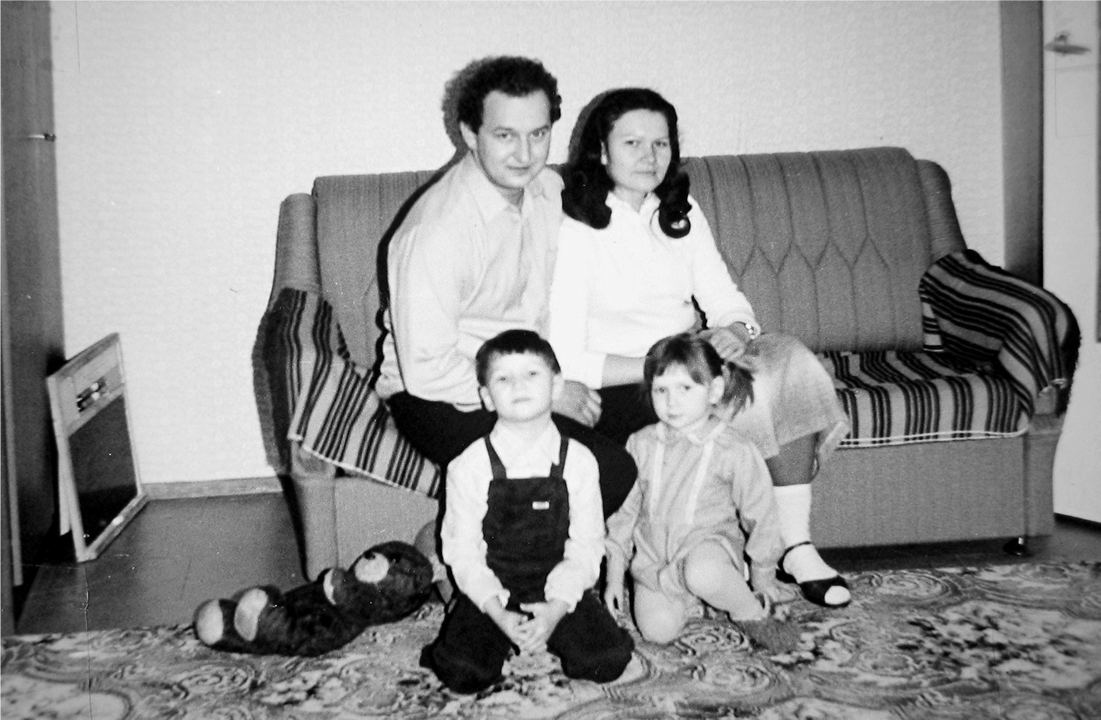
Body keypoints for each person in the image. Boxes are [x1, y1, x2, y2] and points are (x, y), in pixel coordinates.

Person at [548, 87, 851, 608]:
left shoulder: (680, 209)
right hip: (629, 382)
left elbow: (727, 300)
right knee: (744, 394)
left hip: (694, 359)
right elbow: (567, 355)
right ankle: (772, 549)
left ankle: (797, 545)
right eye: (633, 142)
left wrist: (735, 331)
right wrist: (662, 365)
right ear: (601, 150)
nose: (650, 157)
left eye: (661, 144)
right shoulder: (574, 224)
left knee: (790, 359)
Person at [375, 56, 635, 520]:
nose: (525, 154)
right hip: (443, 396)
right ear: (470, 135)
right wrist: (550, 393)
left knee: (654, 403)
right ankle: (516, 585)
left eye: (538, 134)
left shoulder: (546, 191)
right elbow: (427, 369)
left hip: (532, 372)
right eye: (504, 135)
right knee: (607, 471)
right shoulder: (437, 232)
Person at [420, 329, 634, 694]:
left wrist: (557, 608)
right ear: (487, 397)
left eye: (532, 374)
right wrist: (497, 612)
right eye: (503, 378)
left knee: (606, 661)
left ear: (556, 385)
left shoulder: (580, 462)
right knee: (463, 673)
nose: (518, 385)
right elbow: (463, 550)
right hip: (495, 585)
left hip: (556, 582)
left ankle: (550, 631)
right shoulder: (468, 466)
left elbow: (587, 544)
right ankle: (477, 619)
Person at [604, 334, 799, 653]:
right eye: (661, 390)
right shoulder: (639, 443)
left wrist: (763, 575)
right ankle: (697, 596)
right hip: (655, 561)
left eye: (685, 388)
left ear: (715, 390)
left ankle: (748, 610)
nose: (671, 402)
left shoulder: (732, 447)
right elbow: (624, 515)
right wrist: (614, 574)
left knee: (704, 572)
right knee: (657, 632)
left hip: (707, 547)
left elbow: (761, 513)